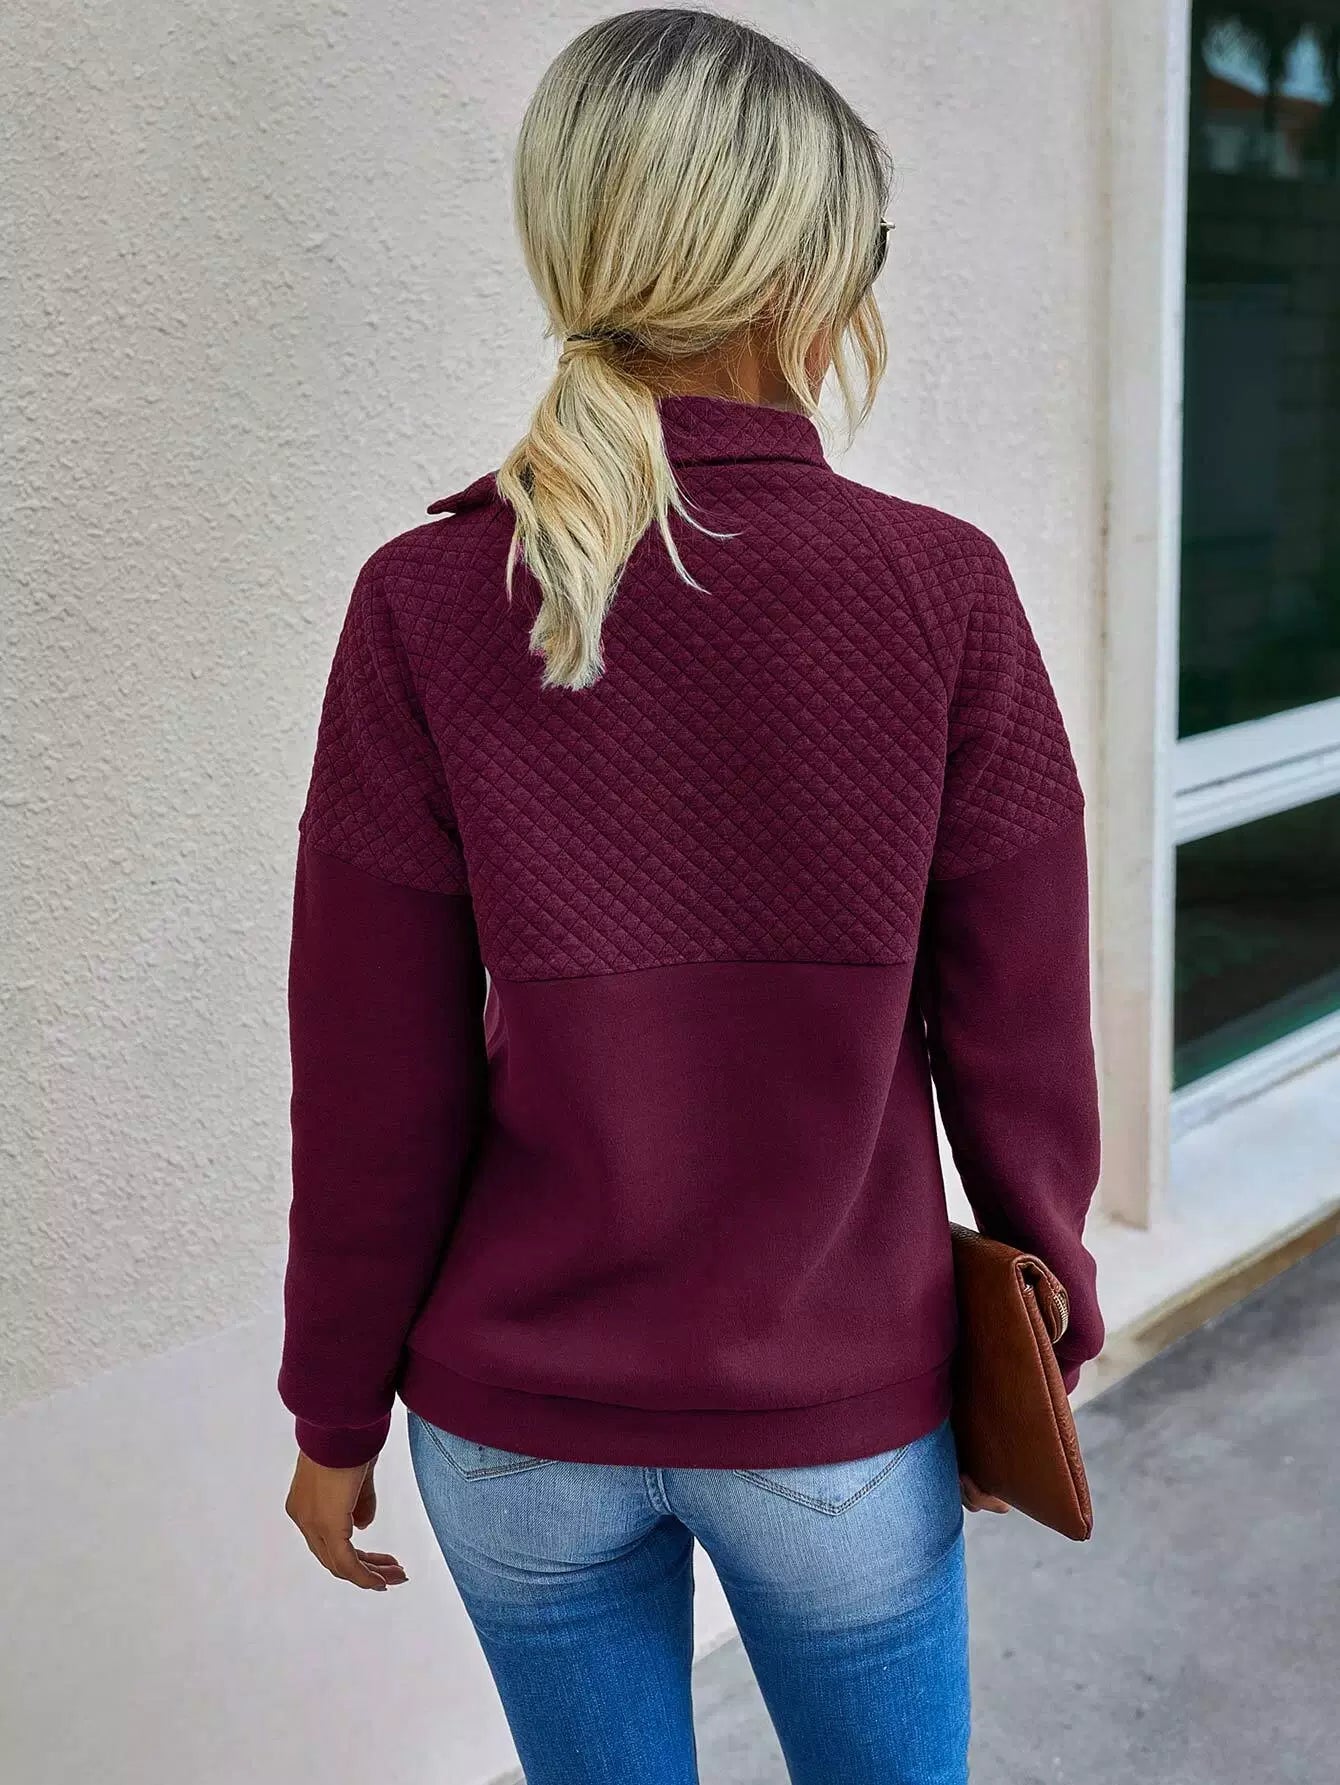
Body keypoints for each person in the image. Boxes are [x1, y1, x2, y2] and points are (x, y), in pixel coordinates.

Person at [278, 9, 1103, 1783]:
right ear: (803, 274)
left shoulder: (422, 600)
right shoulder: (944, 593)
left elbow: (367, 1081)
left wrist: (332, 1404)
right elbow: (1024, 1034)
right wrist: (1044, 1329)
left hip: (512, 1435)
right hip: (835, 1429)